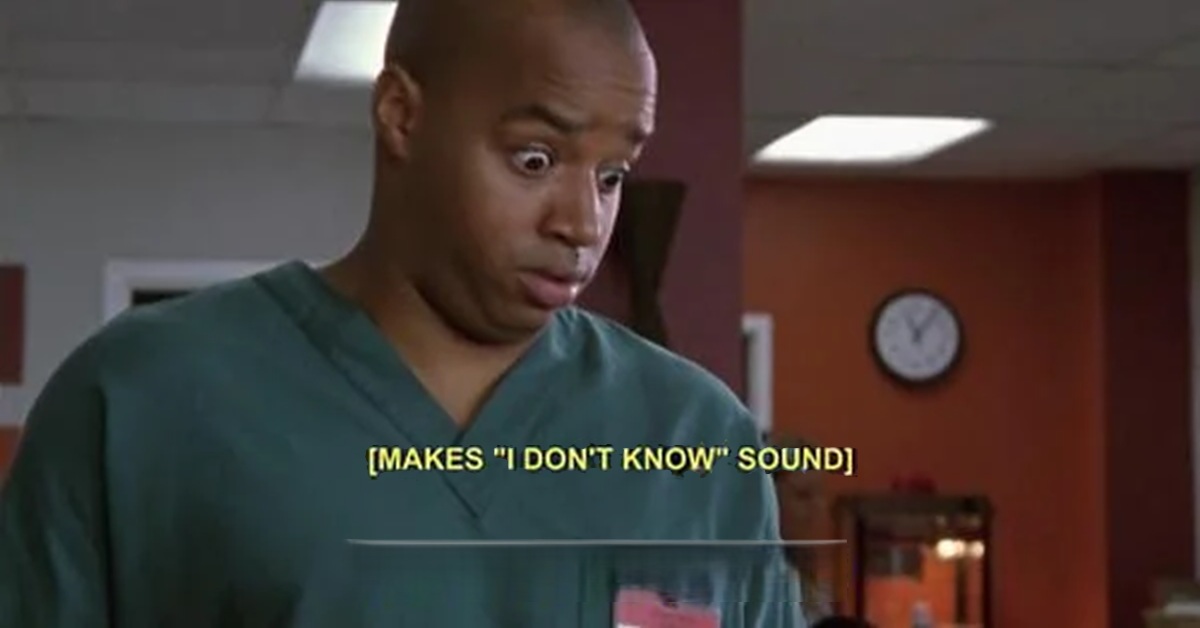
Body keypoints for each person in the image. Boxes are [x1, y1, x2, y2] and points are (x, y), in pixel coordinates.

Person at [0, 0, 803, 626]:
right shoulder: (141, 400)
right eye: (534, 160)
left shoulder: (698, 441)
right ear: (401, 115)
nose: (583, 224)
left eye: (612, 175)